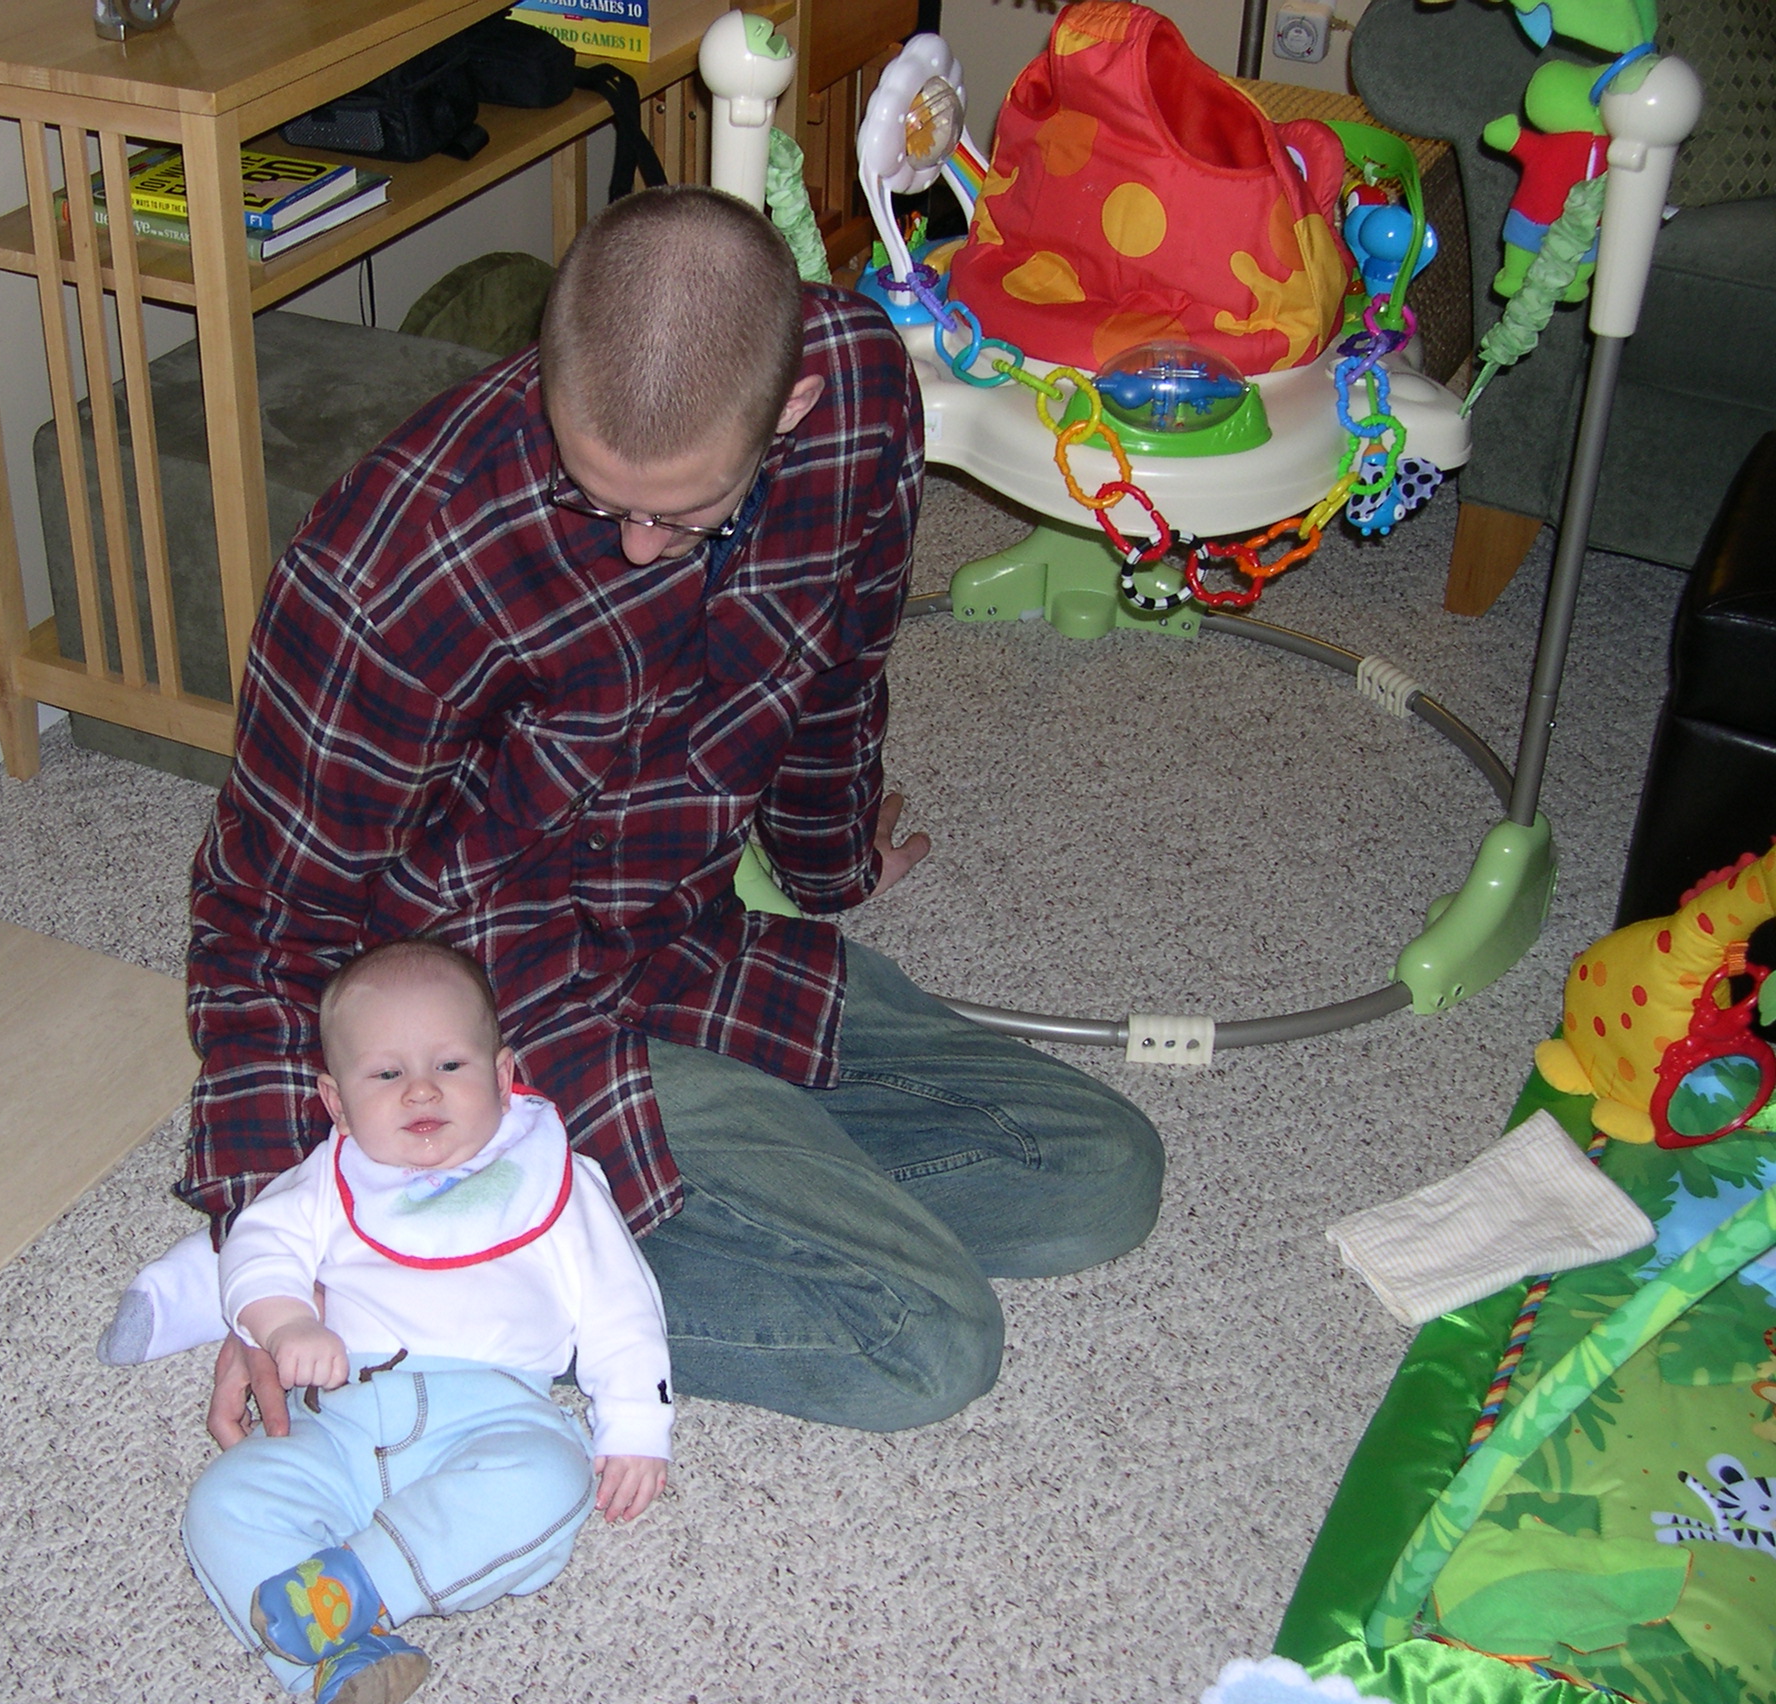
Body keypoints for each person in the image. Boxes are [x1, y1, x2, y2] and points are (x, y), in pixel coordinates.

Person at [180, 183, 1163, 1453]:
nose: (640, 547)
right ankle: (423, 1277)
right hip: (495, 1032)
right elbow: (266, 916)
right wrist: (273, 1263)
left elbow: (839, 667)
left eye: (685, 512)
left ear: (790, 408)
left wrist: (827, 859)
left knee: (1099, 1179)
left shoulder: (858, 393)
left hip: (686, 946)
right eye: (600, 501)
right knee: (924, 1342)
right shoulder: (395, 562)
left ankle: (673, 1188)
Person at [182, 938, 670, 1704]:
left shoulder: (556, 1180)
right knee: (224, 1503)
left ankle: (358, 1589)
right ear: (337, 1103)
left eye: (450, 1066)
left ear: (504, 1078)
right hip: (338, 1422)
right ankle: (339, 1663)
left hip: (494, 1413)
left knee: (552, 1479)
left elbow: (623, 1301)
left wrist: (637, 1423)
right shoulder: (328, 1177)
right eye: (385, 1074)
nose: (420, 1092)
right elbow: (258, 1246)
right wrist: (284, 1328)